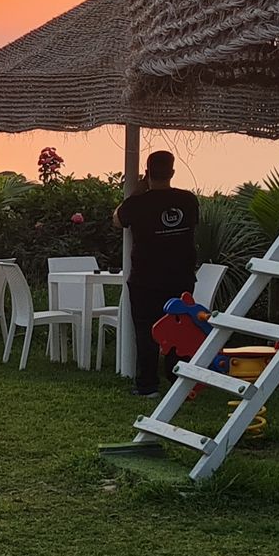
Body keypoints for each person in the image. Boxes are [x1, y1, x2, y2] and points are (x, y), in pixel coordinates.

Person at [113, 150, 199, 398]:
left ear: (147, 173)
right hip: (181, 277)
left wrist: (137, 192)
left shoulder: (138, 204)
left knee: (145, 330)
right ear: (172, 172)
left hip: (145, 279)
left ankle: (147, 385)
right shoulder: (188, 200)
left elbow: (117, 220)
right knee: (179, 328)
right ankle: (177, 378)